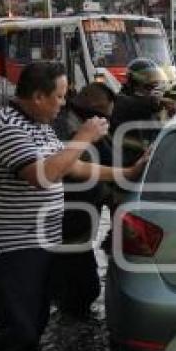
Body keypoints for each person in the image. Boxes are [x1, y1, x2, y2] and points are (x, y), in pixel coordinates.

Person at [0, 62, 147, 351]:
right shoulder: (6, 126)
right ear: (38, 96)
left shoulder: (38, 124)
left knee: (35, 324)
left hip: (39, 241)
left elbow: (71, 167)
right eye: (60, 96)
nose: (64, 103)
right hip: (10, 245)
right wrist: (83, 137)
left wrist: (127, 173)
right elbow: (43, 176)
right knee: (19, 330)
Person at [51, 82, 117, 319]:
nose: (107, 121)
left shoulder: (86, 127)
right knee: (81, 289)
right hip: (64, 226)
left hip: (79, 226)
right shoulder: (65, 129)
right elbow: (70, 169)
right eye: (105, 116)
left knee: (83, 289)